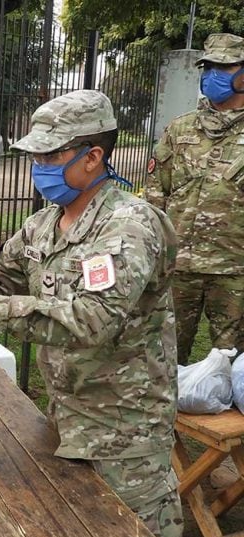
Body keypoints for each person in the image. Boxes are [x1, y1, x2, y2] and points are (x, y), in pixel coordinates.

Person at [0, 90, 183, 537]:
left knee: (131, 535)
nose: (39, 165)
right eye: (36, 154)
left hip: (126, 431)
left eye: (51, 154)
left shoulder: (129, 225)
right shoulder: (45, 224)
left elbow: (91, 319)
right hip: (65, 415)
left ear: (93, 157)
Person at [145, 32, 244, 366]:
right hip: (179, 267)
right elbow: (156, 194)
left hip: (235, 270)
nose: (211, 75)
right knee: (165, 356)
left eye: (223, 67)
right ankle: (166, 419)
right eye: (207, 67)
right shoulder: (179, 129)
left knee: (235, 364)